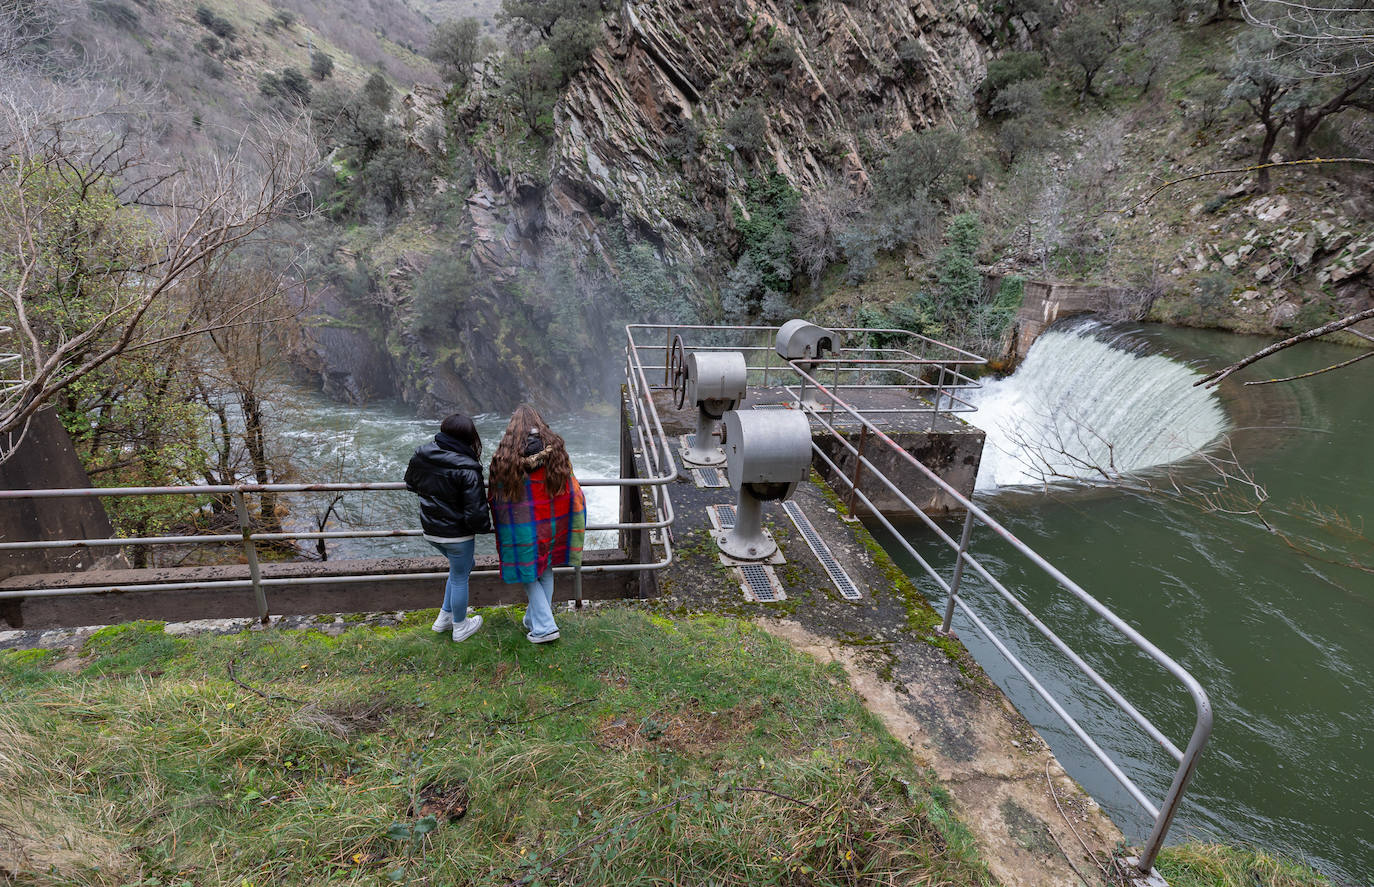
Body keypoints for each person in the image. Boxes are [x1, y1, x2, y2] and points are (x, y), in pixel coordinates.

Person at [488, 405, 586, 644]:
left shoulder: (505, 456)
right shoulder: (557, 451)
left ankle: (544, 627)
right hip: (550, 522)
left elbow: (496, 495)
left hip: (520, 524)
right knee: (545, 568)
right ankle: (535, 619)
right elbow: (569, 486)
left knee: (528, 570)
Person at [404, 413, 492, 642]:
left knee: (460, 569)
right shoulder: (468, 467)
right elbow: (475, 511)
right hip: (457, 535)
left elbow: (411, 483)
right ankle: (460, 626)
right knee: (461, 575)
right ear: (469, 437)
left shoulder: (423, 454)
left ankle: (444, 617)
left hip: (431, 530)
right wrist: (485, 526)